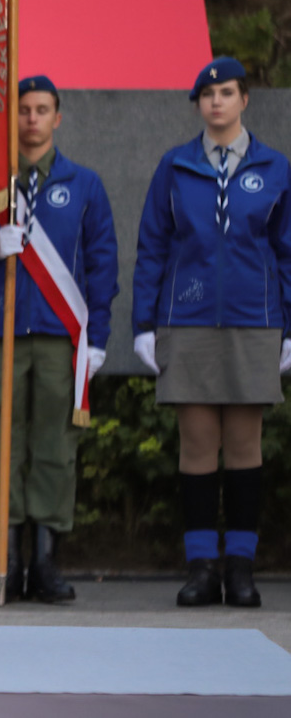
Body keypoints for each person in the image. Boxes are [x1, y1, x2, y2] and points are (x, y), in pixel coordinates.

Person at [132, 56, 291, 609]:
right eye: (207, 94)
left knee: (245, 446)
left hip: (254, 320)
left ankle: (241, 569)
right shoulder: (175, 166)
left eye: (226, 93)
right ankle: (201, 567)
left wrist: (289, 327)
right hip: (188, 320)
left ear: (245, 99)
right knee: (197, 445)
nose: (216, 102)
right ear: (199, 104)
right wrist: (145, 323)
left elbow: (287, 251)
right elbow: (153, 245)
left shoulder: (275, 167)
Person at [0, 75, 118, 603]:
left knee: (55, 443)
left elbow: (102, 264)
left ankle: (46, 562)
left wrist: (97, 336)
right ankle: (6, 561)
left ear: (58, 117)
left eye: (41, 109)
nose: (31, 119)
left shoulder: (85, 184)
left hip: (60, 336)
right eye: (23, 109)